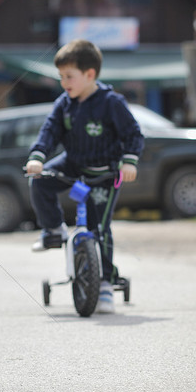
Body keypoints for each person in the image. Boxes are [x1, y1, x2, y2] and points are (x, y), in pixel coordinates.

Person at [25, 39, 144, 314]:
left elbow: (133, 134)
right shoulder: (64, 103)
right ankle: (53, 229)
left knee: (98, 228)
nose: (64, 82)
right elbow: (49, 131)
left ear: (89, 74)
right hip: (74, 163)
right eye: (61, 77)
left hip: (105, 173)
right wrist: (38, 156)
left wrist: (129, 161)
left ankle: (104, 283)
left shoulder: (111, 102)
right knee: (39, 181)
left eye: (69, 76)